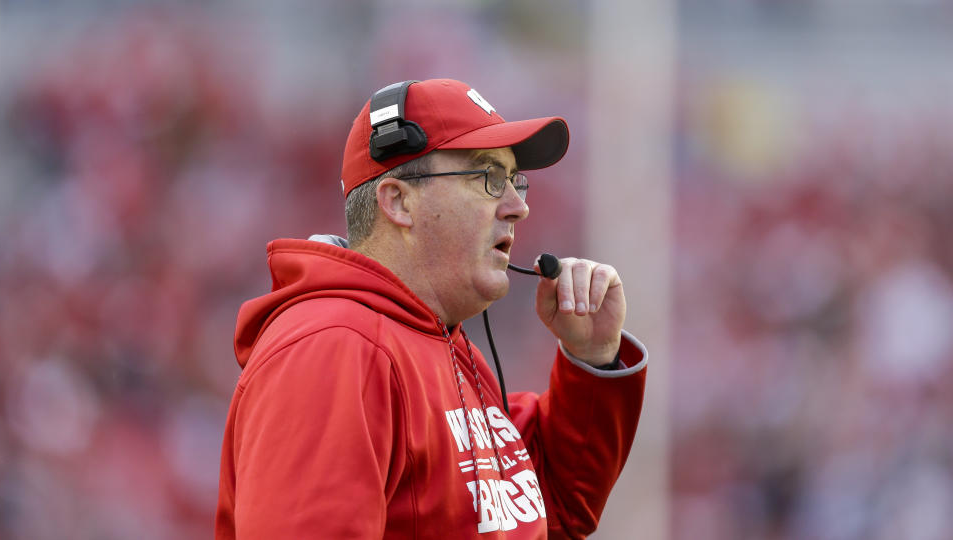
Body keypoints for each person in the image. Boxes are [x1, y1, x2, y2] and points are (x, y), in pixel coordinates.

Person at [215, 78, 648, 539]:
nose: (518, 206)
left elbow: (553, 513)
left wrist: (592, 357)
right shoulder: (333, 345)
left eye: (515, 181)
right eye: (489, 177)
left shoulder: (439, 344)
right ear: (399, 201)